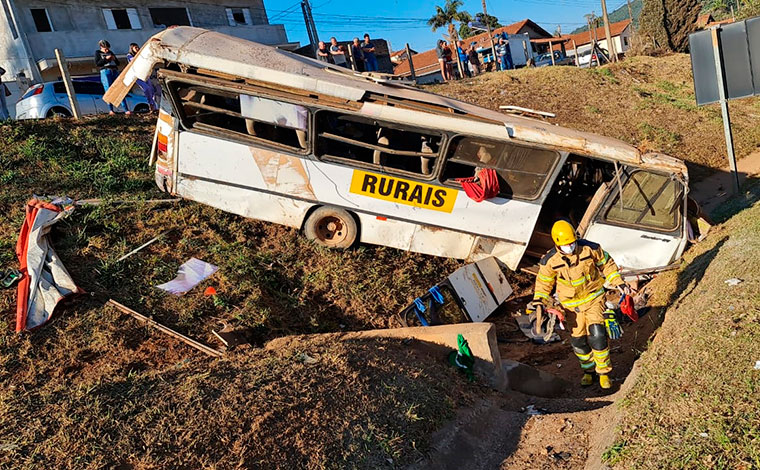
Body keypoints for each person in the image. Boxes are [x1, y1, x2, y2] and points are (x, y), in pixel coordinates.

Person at [529, 220, 632, 390]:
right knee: (579, 342)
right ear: (557, 244)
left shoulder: (590, 248)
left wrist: (618, 282)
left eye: (572, 242)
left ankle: (604, 373)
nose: (570, 246)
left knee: (597, 335)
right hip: (571, 307)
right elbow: (543, 283)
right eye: (566, 244)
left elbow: (607, 265)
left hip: (594, 299)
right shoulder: (550, 261)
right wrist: (539, 300)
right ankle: (588, 371)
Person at [95, 40, 130, 115]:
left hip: (114, 70)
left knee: (119, 88)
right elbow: (98, 64)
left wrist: (114, 59)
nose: (107, 50)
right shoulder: (98, 53)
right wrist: (106, 59)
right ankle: (111, 109)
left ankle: (126, 109)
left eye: (108, 48)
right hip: (105, 71)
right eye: (105, 49)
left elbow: (118, 63)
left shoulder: (111, 52)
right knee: (108, 89)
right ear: (101, 47)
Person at [127, 43, 157, 112]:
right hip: (137, 75)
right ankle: (150, 104)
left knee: (151, 89)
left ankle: (153, 106)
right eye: (135, 48)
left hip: (144, 74)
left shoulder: (141, 54)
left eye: (138, 47)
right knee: (146, 88)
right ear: (132, 49)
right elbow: (135, 61)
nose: (137, 49)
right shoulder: (130, 55)